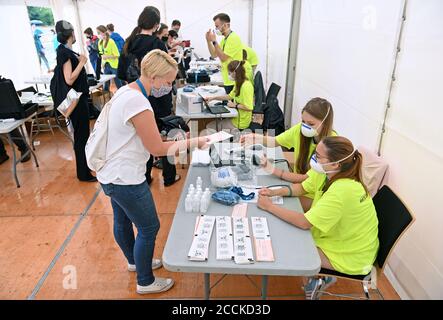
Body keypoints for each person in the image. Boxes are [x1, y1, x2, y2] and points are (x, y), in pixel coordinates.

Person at [97, 49, 209, 294]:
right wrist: (193, 142)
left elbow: (142, 136)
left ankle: (135, 262)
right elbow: (158, 149)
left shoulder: (127, 91)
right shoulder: (138, 102)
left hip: (110, 173)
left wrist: (176, 139)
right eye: (168, 82)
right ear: (155, 77)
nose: (168, 87)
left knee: (122, 220)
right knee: (149, 228)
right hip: (125, 177)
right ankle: (145, 281)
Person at [257, 136, 379, 299]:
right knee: (288, 231)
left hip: (353, 255)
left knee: (288, 246)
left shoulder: (343, 190)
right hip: (346, 238)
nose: (314, 158)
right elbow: (302, 188)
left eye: (319, 156)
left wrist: (269, 206)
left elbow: (304, 222)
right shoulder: (326, 172)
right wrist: (275, 192)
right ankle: (318, 277)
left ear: (336, 163)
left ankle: (321, 277)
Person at [241, 97, 336, 211]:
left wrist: (272, 170)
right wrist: (255, 137)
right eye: (303, 122)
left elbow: (304, 180)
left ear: (325, 123)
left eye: (311, 123)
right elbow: (275, 141)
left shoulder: (331, 146)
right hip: (299, 187)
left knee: (271, 205)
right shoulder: (299, 130)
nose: (305, 126)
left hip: (313, 196)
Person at [123, 6, 180, 186]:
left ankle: (145, 177)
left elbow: (122, 74)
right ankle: (169, 177)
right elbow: (166, 75)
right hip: (158, 101)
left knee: (142, 139)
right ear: (156, 25)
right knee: (164, 138)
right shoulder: (156, 44)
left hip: (136, 98)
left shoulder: (129, 43)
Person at [54, 20, 96, 182]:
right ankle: (83, 173)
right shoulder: (65, 53)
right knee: (81, 137)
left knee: (82, 136)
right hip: (77, 102)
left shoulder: (65, 51)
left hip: (79, 100)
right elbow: (69, 79)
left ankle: (84, 170)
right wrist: (82, 63)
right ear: (71, 34)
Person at [206, 60, 253, 131]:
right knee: (215, 122)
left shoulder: (246, 86)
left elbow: (249, 107)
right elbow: (230, 96)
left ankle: (220, 141)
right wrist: (213, 98)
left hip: (240, 123)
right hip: (236, 117)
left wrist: (235, 105)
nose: (228, 74)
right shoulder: (238, 83)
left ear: (235, 72)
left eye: (229, 73)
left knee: (209, 126)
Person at [206, 13, 243, 94]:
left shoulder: (233, 38)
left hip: (234, 81)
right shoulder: (225, 39)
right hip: (228, 79)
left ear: (226, 25)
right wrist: (208, 41)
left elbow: (223, 58)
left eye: (217, 26)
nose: (216, 29)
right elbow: (214, 54)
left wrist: (214, 41)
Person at [97, 25, 123, 92]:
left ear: (103, 32)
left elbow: (117, 55)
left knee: (118, 83)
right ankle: (106, 97)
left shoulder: (111, 41)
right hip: (106, 65)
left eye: (99, 33)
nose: (98, 35)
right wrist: (102, 63)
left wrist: (108, 56)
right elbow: (101, 54)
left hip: (114, 65)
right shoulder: (100, 42)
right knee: (106, 83)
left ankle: (123, 94)